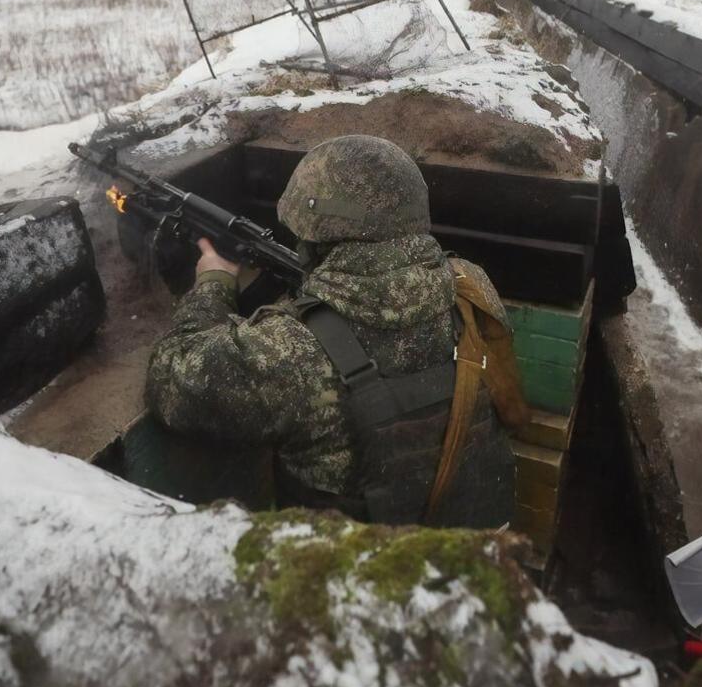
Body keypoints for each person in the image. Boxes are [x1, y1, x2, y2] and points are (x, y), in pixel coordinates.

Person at [145, 134, 518, 527]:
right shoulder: (470, 284)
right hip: (484, 545)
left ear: (315, 233)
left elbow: (171, 381)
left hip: (354, 561)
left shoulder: (290, 348)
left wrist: (213, 283)